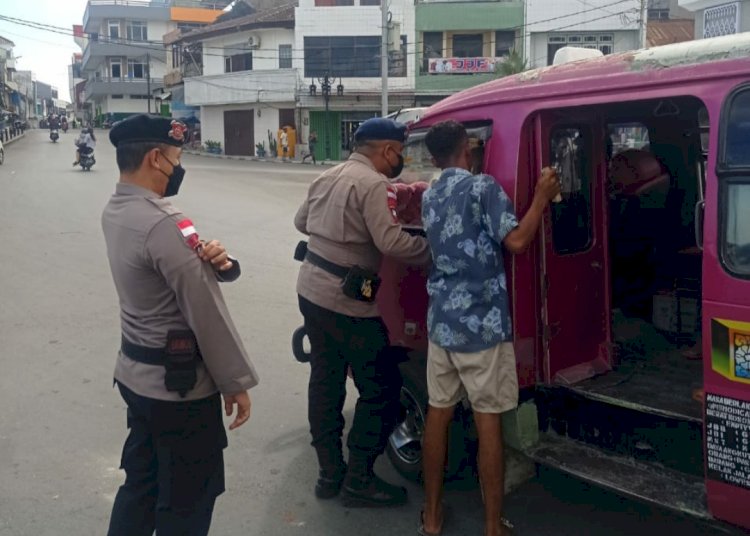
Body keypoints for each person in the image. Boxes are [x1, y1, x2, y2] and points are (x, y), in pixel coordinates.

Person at [101, 114, 259, 536]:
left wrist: (220, 262)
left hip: (136, 377)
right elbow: (204, 308)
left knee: (141, 487)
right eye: (176, 157)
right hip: (179, 390)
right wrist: (235, 382)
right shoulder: (162, 223)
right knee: (187, 501)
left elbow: (191, 270)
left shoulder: (117, 209)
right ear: (156, 158)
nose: (179, 167)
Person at [418, 121, 560, 536]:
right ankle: (493, 526)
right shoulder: (484, 189)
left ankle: (431, 517)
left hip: (441, 324)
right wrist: (541, 198)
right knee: (488, 425)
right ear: (469, 148)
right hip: (482, 328)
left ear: (432, 158)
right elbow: (515, 242)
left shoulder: (430, 194)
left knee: (437, 417)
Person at [294, 117, 431, 507]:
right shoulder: (373, 183)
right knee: (383, 389)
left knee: (325, 379)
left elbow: (301, 221)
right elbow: (389, 241)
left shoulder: (329, 174)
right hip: (348, 302)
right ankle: (359, 479)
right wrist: (434, 253)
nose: (399, 160)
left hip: (310, 289)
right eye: (399, 153)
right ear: (387, 150)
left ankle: (329, 473)